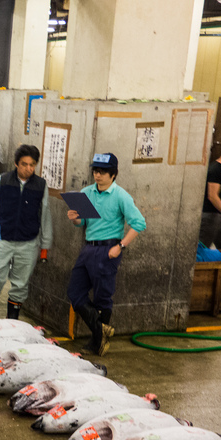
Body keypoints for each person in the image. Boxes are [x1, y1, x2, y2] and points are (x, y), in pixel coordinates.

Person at [66, 153, 146, 356]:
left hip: (108, 249)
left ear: (113, 174)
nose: (97, 175)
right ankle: (102, 331)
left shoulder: (121, 196)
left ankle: (97, 342)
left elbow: (139, 223)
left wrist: (121, 246)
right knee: (75, 293)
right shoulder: (87, 193)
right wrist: (75, 218)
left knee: (103, 297)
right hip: (88, 248)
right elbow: (82, 223)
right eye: (95, 170)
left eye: (102, 172)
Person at [0, 144, 52, 320]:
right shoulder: (2, 180)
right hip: (2, 240)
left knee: (21, 284)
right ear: (16, 163)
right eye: (24, 164)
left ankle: (12, 321)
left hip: (28, 243)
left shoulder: (40, 185)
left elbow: (44, 215)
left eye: (32, 165)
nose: (28, 169)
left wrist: (45, 244)